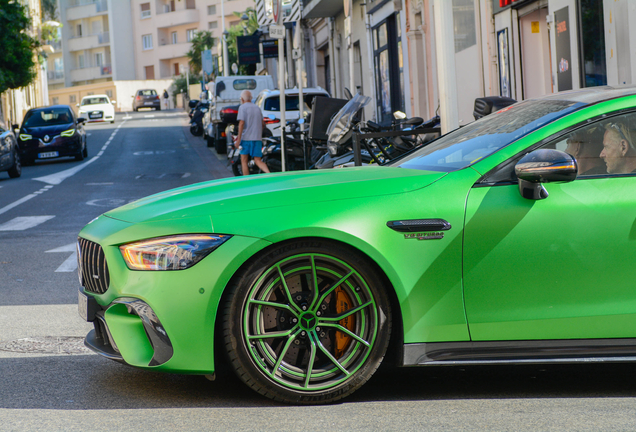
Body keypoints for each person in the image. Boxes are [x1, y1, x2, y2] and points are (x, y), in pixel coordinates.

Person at [235, 89, 270, 175]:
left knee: (244, 161)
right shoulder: (257, 108)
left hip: (246, 139)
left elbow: (241, 123)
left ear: (242, 99)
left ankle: (247, 181)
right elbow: (262, 124)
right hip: (257, 139)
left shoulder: (242, 107)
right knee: (258, 160)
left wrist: (238, 139)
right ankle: (269, 174)